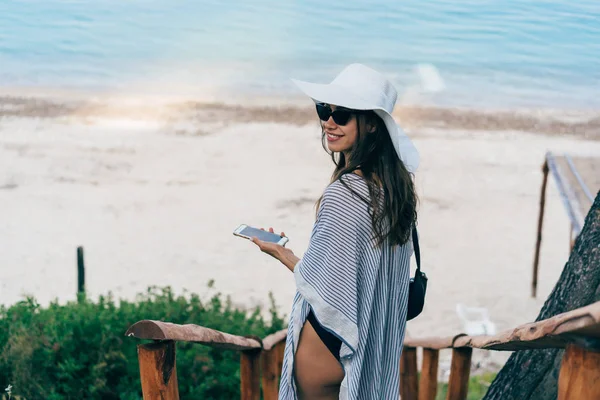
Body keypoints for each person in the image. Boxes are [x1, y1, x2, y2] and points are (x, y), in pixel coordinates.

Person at [250, 63, 420, 399]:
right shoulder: (398, 192)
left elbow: (323, 283)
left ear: (372, 124)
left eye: (342, 114)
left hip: (325, 344)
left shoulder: (344, 194)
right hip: (372, 343)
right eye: (324, 110)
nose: (329, 121)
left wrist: (281, 253)